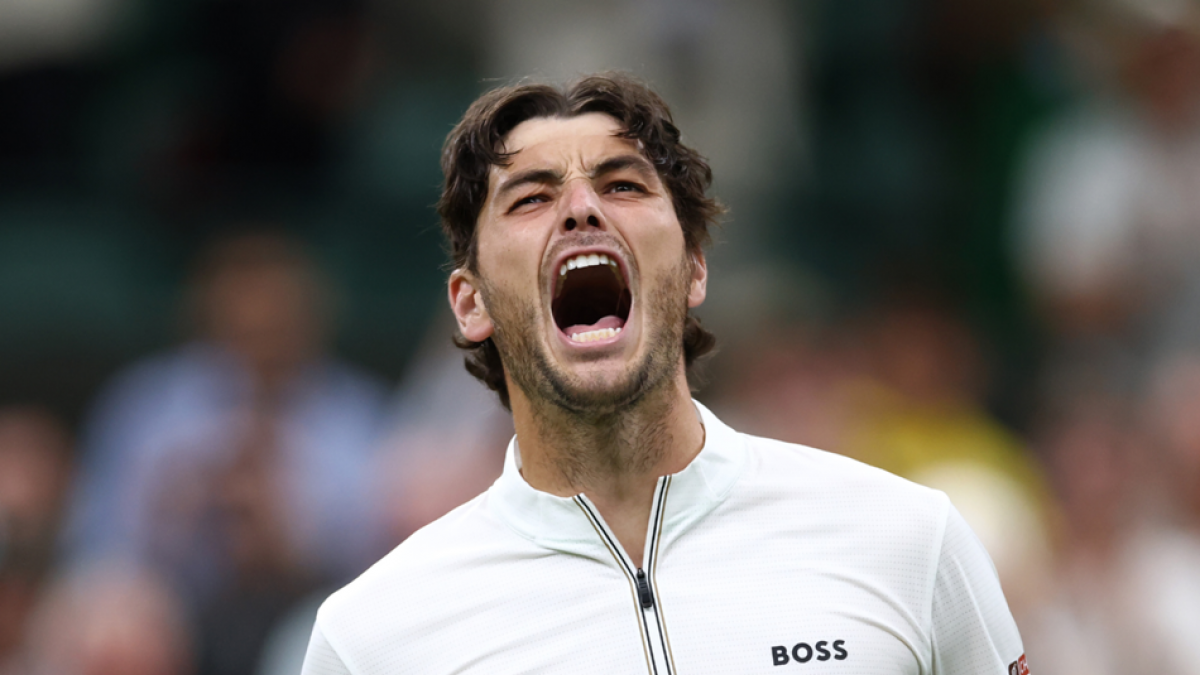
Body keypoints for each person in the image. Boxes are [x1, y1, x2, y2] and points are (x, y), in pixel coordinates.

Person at [301, 73, 1026, 674]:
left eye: (622, 186)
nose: (581, 208)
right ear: (472, 301)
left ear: (694, 269)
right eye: (531, 197)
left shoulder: (910, 539)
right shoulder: (372, 639)